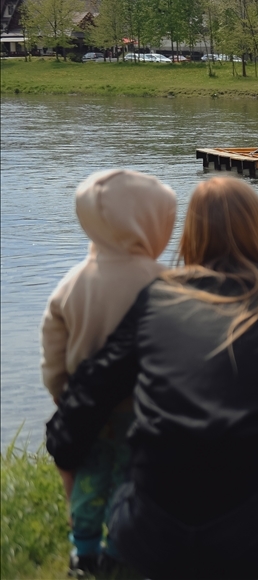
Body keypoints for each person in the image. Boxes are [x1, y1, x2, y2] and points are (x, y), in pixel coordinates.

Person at [46, 177, 258, 580]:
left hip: (148, 534)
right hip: (253, 541)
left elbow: (94, 386)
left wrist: (66, 453)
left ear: (190, 231)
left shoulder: (161, 293)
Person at [40, 169, 176, 576]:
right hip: (145, 408)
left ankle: (83, 551)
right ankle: (120, 551)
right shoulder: (164, 281)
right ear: (152, 223)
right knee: (131, 482)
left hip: (86, 407)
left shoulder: (71, 283)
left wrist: (62, 397)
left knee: (88, 478)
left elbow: (53, 353)